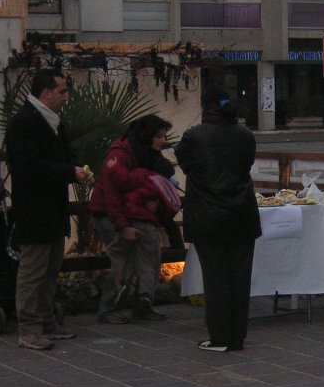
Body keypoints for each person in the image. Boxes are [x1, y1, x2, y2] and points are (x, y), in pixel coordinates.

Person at [5, 69, 93, 350]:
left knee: (51, 268)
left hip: (54, 208)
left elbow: (65, 156)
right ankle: (28, 328)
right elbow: (29, 166)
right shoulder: (24, 123)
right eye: (62, 91)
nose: (66, 97)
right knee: (33, 270)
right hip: (34, 208)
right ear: (46, 93)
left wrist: (78, 169)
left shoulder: (54, 123)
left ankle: (46, 321)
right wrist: (70, 171)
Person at [175, 85, 261, 352]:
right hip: (242, 214)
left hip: (208, 216)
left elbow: (186, 164)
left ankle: (219, 336)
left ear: (206, 108)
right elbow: (245, 166)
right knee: (239, 277)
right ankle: (237, 336)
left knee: (216, 279)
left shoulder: (194, 137)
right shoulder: (245, 135)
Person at [90, 115, 175, 324]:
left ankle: (141, 303)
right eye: (159, 136)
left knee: (146, 257)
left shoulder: (144, 155)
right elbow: (113, 195)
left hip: (130, 213)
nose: (163, 141)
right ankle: (108, 307)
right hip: (110, 214)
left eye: (165, 135)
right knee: (121, 258)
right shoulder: (120, 156)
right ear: (146, 136)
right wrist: (123, 226)